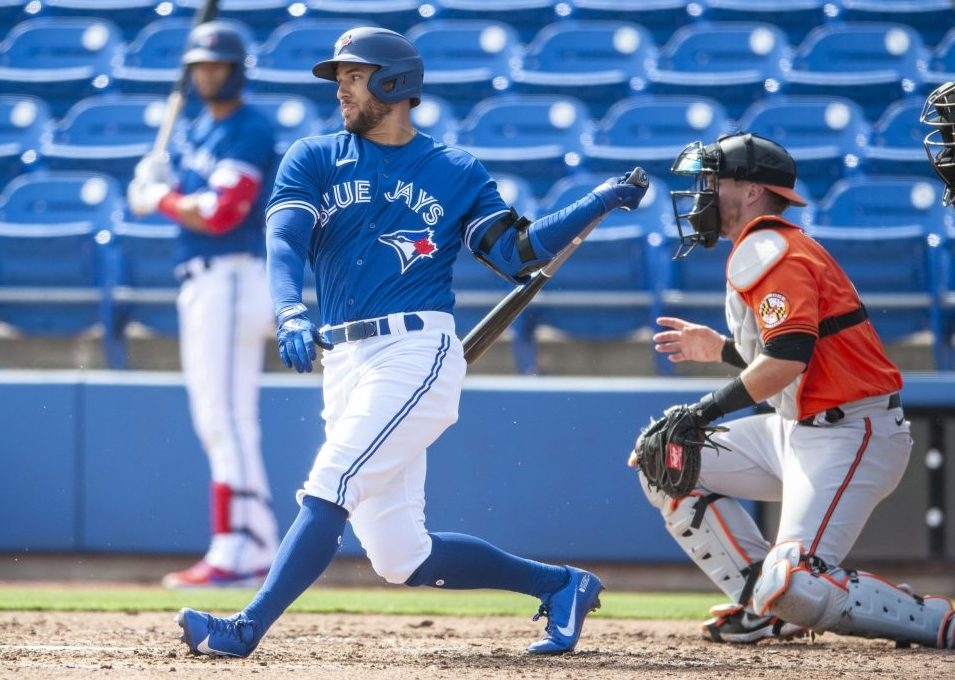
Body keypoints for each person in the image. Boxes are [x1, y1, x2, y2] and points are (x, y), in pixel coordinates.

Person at [171, 25, 646, 657]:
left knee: (330, 483)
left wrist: (594, 203)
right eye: (339, 78)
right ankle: (560, 585)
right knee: (402, 556)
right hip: (343, 361)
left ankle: (245, 628)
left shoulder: (454, 170)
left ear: (394, 84)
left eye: (354, 77)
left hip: (414, 353)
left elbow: (515, 252)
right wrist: (288, 311)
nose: (341, 89)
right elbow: (282, 242)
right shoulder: (313, 157)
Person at [627, 132, 955, 648]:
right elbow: (795, 356)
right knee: (663, 459)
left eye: (715, 180)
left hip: (850, 432)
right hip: (795, 426)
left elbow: (786, 359)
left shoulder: (772, 246)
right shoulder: (762, 246)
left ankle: (936, 620)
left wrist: (704, 409)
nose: (703, 192)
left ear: (753, 190)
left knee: (797, 582)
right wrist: (719, 351)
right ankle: (765, 606)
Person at [126, 21, 280, 588]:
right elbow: (195, 200)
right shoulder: (198, 130)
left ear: (237, 70)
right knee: (219, 419)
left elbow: (221, 212)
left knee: (226, 419)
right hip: (203, 280)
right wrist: (160, 178)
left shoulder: (249, 128)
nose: (207, 74)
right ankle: (255, 541)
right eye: (200, 66)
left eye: (216, 65)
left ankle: (237, 547)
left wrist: (158, 197)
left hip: (233, 274)